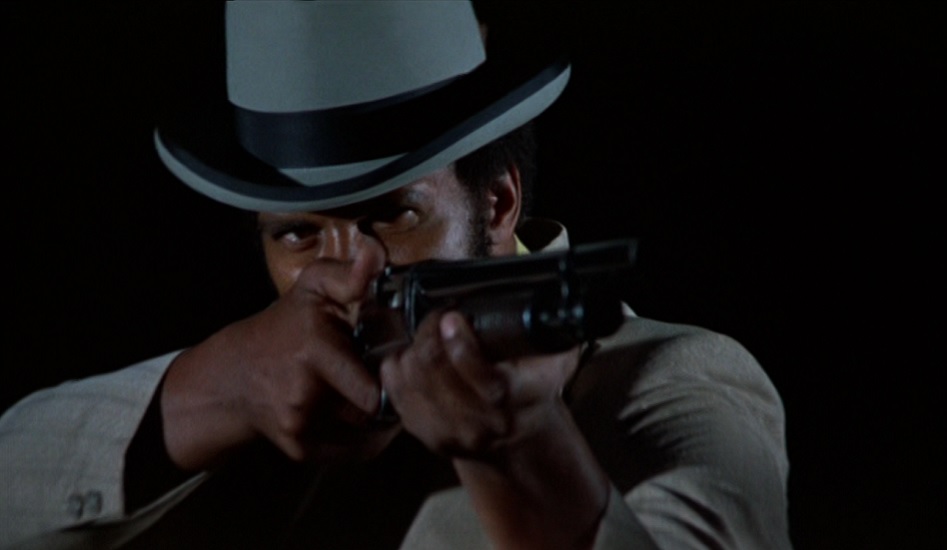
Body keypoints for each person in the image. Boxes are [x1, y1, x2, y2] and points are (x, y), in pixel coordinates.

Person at [0, 2, 790, 549]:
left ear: (499, 201)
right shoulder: (265, 416)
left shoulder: (673, 377)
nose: (351, 274)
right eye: (299, 234)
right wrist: (223, 387)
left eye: (394, 216)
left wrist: (522, 453)